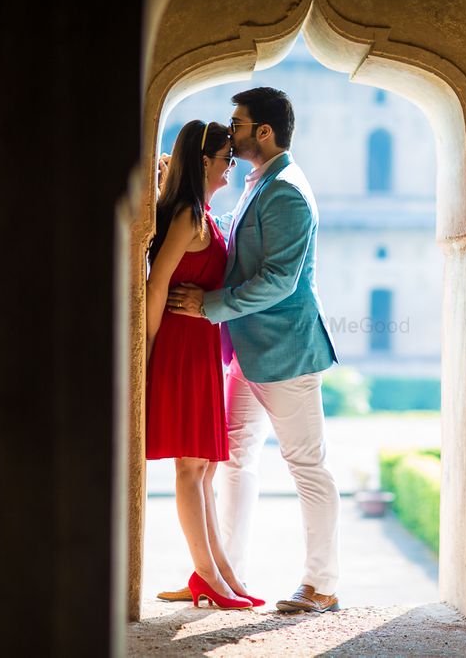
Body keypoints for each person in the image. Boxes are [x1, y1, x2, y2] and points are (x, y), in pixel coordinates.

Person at [169, 87, 342, 613]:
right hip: (246, 353)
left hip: (285, 354)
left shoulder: (286, 190)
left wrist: (209, 305)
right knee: (237, 461)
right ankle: (226, 576)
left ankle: (322, 585)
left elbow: (280, 281)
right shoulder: (259, 182)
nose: (231, 130)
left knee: (306, 466)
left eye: (237, 123)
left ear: (263, 132)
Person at [146, 119, 264, 610]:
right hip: (180, 348)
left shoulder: (203, 214)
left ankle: (221, 573)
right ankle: (209, 577)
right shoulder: (190, 219)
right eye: (225, 160)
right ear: (205, 164)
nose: (230, 168)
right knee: (191, 469)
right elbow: (156, 286)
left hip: (200, 346)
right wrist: (145, 357)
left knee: (206, 469)